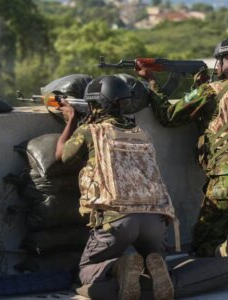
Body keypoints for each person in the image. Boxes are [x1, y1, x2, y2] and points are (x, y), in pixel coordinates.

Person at [137, 35, 228, 272]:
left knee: (203, 248)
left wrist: (152, 82)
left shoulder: (212, 90)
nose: (218, 66)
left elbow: (169, 116)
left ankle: (222, 258)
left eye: (221, 60)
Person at [55, 75, 175, 300]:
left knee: (87, 271)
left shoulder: (91, 131)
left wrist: (72, 120)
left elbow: (62, 156)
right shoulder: (141, 133)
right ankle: (152, 265)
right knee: (154, 256)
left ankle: (119, 266)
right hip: (155, 219)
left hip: (118, 220)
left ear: (96, 104)